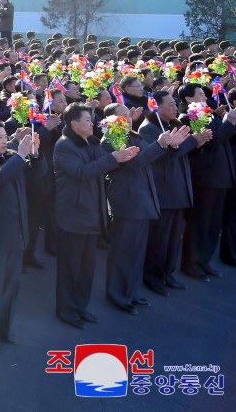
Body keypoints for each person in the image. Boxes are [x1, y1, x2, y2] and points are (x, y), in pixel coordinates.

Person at [53, 103, 138, 329]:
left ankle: (81, 306)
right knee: (70, 267)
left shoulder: (91, 142)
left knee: (86, 268)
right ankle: (66, 309)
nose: (92, 123)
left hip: (92, 214)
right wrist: (113, 159)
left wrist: (120, 157)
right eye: (88, 120)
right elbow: (82, 172)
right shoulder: (64, 146)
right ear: (74, 124)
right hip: (74, 215)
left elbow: (104, 167)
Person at [99, 103, 190, 314]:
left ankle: (130, 291)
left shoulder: (133, 136)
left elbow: (153, 158)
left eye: (128, 115)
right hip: (127, 202)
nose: (128, 119)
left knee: (136, 252)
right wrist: (159, 144)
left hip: (142, 200)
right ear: (110, 120)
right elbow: (134, 163)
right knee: (123, 252)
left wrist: (171, 146)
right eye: (122, 116)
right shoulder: (111, 139)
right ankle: (118, 295)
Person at [0, 121, 42, 350]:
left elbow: (37, 179)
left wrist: (34, 155)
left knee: (11, 286)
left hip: (17, 230)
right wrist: (21, 156)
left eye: (5, 136)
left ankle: (4, 327)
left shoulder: (12, 157)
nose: (5, 141)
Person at [140, 90, 208, 295]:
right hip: (164, 191)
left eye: (174, 103)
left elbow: (184, 151)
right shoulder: (149, 129)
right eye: (169, 104)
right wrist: (192, 142)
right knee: (159, 239)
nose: (174, 107)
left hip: (180, 189)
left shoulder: (174, 124)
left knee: (173, 238)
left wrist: (198, 143)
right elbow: (163, 157)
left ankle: (168, 274)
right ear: (156, 107)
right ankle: (153, 276)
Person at [178, 84, 236, 281]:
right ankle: (191, 263)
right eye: (199, 95)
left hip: (222, 177)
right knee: (200, 223)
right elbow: (211, 142)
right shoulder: (190, 117)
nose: (204, 98)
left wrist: (233, 124)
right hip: (206, 178)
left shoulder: (210, 114)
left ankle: (204, 261)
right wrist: (230, 122)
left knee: (213, 225)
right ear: (188, 99)